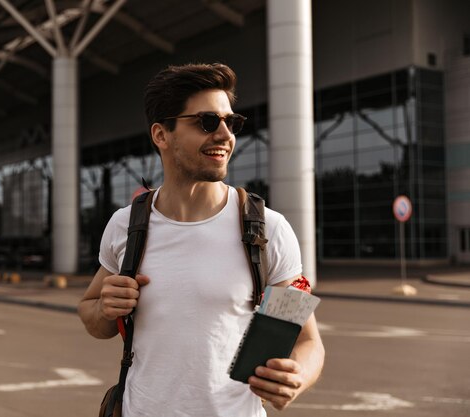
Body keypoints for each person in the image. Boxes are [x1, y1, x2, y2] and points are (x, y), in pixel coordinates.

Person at [78, 63, 324, 417]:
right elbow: (89, 312)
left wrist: (298, 375)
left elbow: (307, 342)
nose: (225, 135)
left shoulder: (266, 229)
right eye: (207, 122)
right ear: (162, 135)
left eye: (231, 122)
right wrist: (104, 308)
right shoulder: (127, 226)